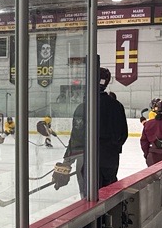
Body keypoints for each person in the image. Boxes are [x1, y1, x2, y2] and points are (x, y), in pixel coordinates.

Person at [54, 67, 128, 195]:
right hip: (110, 160)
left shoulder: (84, 107)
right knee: (108, 196)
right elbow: (123, 135)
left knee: (87, 198)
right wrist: (110, 148)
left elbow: (77, 137)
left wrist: (67, 161)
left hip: (87, 160)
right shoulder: (117, 106)